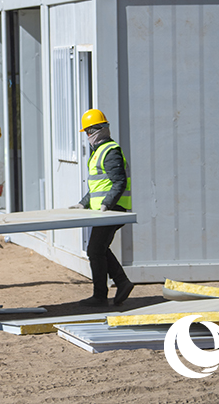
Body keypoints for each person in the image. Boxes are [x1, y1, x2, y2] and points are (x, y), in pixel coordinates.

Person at [78, 108, 134, 307]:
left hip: (113, 209)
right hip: (106, 210)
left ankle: (102, 295)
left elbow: (119, 182)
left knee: (95, 249)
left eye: (87, 132)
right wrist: (82, 203)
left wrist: (106, 204)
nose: (86, 136)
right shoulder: (98, 152)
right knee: (98, 249)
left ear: (96, 130)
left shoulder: (110, 151)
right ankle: (121, 283)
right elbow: (98, 185)